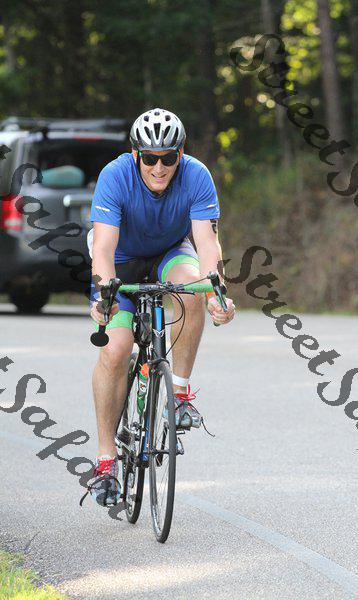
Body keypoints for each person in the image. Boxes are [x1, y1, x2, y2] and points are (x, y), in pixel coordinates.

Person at [87, 108, 235, 505]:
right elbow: (103, 249)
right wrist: (103, 297)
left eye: (168, 157)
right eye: (150, 157)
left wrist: (217, 294)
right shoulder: (114, 176)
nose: (159, 167)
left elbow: (207, 245)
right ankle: (105, 463)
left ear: (180, 154)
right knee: (115, 349)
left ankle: (180, 396)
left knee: (194, 289)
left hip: (170, 252)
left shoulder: (197, 175)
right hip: (120, 261)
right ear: (136, 154)